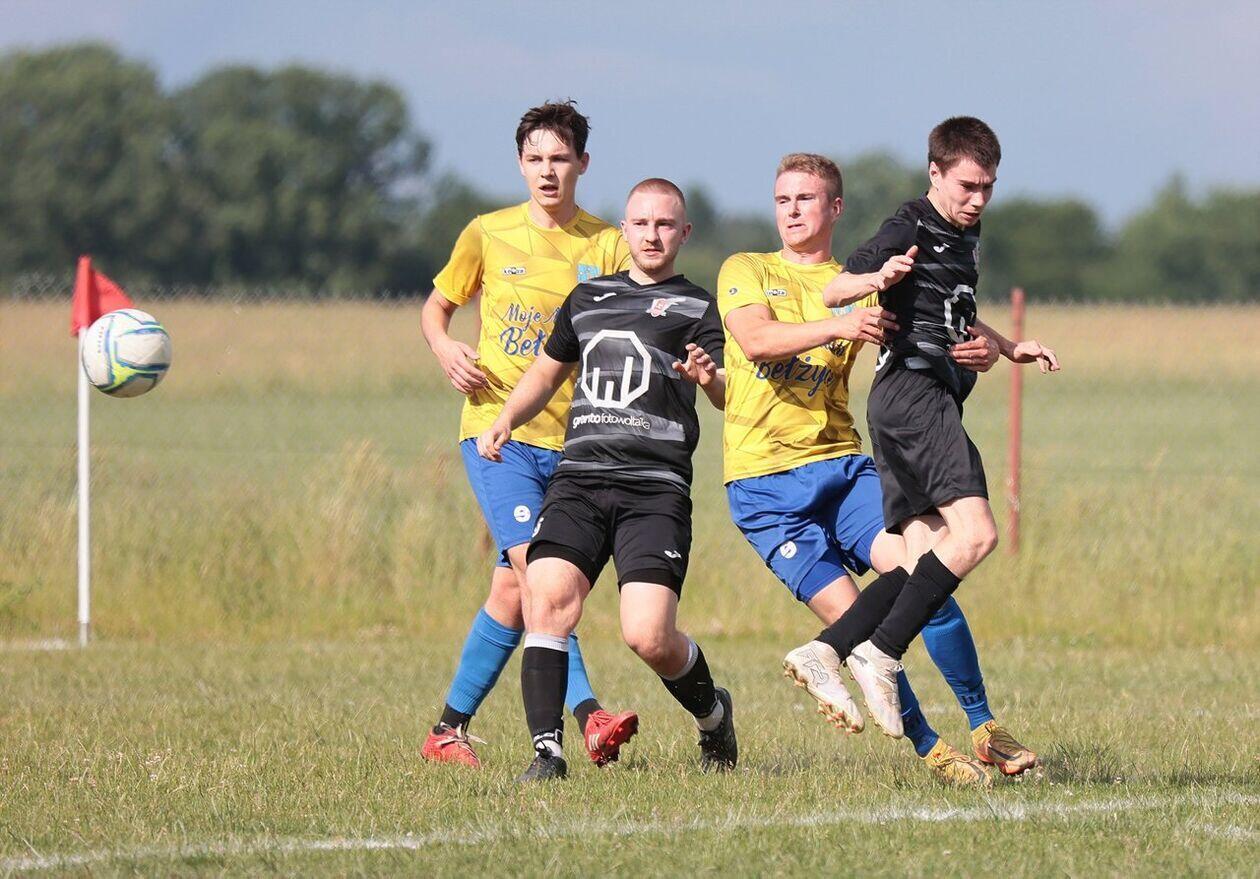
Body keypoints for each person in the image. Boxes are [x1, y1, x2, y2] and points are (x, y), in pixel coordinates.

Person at [721, 152, 1037, 784]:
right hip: (764, 484)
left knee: (927, 571)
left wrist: (986, 346)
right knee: (850, 614)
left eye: (806, 199)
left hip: (841, 465)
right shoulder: (748, 268)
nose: (791, 211)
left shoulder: (866, 276)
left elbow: (940, 308)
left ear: (835, 208)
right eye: (782, 200)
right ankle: (933, 750)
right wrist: (839, 324)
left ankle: (984, 727)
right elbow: (756, 342)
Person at [797, 119, 1059, 773]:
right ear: (935, 173)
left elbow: (952, 311)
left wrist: (1007, 347)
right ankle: (880, 652)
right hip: (915, 399)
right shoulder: (909, 223)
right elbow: (833, 289)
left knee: (921, 562)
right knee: (977, 534)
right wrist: (874, 277)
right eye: (967, 186)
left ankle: (828, 649)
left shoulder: (966, 234)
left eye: (987, 187)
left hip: (903, 406)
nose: (977, 199)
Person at [478, 178, 735, 781]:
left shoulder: (698, 307)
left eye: (664, 224)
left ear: (684, 233)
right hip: (580, 480)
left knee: (648, 636)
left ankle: (714, 715)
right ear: (624, 230)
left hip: (655, 488)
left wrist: (708, 378)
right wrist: (507, 418)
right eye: (641, 223)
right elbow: (546, 373)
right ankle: (548, 753)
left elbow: (727, 392)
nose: (652, 234)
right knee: (547, 599)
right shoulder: (587, 297)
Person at [419, 101, 637, 768]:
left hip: (575, 445)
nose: (547, 170)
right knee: (541, 579)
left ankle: (447, 730)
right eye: (535, 158)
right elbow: (437, 307)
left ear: (582, 164)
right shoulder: (487, 233)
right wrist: (444, 347)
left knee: (514, 592)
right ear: (520, 164)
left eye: (560, 158)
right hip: (497, 435)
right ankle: (590, 715)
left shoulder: (607, 245)